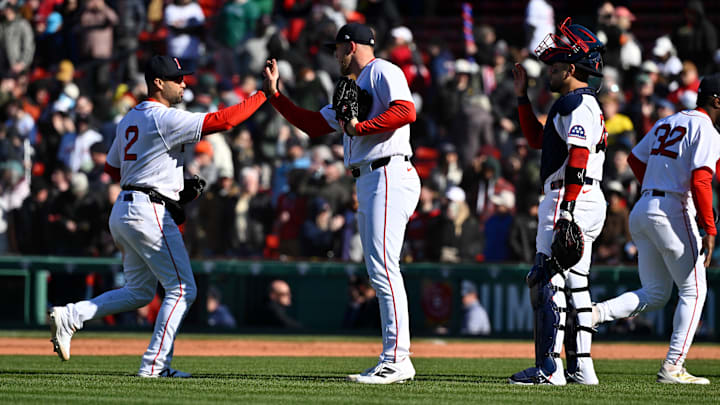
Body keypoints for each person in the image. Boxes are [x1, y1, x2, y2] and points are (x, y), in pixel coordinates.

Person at [49, 55, 267, 378]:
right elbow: (223, 121)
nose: (184, 83)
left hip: (125, 209)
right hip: (148, 210)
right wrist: (264, 94)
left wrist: (165, 179)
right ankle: (155, 365)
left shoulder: (129, 118)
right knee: (182, 289)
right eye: (177, 78)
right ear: (158, 83)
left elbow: (112, 168)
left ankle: (71, 315)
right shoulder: (164, 117)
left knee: (138, 292)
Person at [262, 22, 420, 384]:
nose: (334, 55)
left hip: (388, 172)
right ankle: (395, 357)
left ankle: (397, 359)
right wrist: (276, 97)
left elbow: (405, 111)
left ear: (351, 46)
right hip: (370, 177)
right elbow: (314, 125)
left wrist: (358, 129)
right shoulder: (351, 86)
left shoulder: (382, 70)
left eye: (336, 48)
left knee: (383, 269)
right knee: (379, 269)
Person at [592, 74, 720, 385]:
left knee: (656, 293)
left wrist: (652, 186)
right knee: (695, 290)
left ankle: (591, 315)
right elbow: (702, 181)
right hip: (672, 210)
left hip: (644, 209)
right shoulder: (706, 129)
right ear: (716, 100)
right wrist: (709, 227)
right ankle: (673, 366)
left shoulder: (669, 120)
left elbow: (635, 159)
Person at [509, 18, 608, 386]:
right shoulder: (582, 103)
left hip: (570, 195)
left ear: (570, 69)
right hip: (587, 196)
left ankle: (549, 368)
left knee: (546, 280)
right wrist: (521, 97)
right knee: (577, 285)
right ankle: (582, 368)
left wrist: (566, 207)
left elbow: (579, 155)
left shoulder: (573, 102)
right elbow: (538, 139)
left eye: (554, 67)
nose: (548, 73)